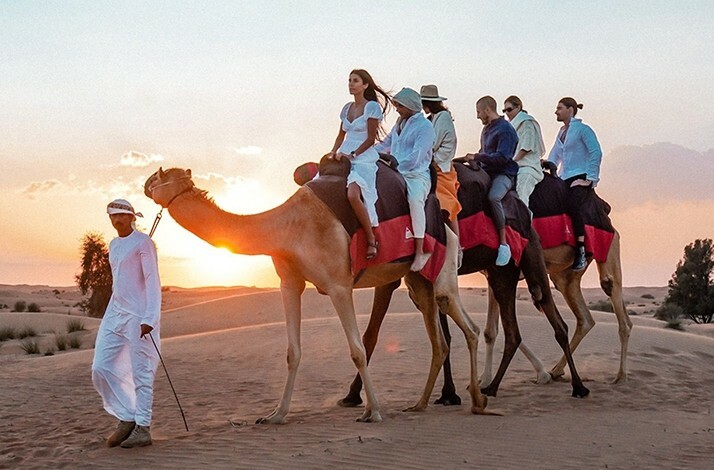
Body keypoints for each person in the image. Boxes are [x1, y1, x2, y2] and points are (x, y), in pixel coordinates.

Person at [92, 199, 162, 448]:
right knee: (100, 367)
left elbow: (152, 281)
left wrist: (149, 318)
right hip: (116, 312)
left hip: (138, 315)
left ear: (132, 217)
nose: (117, 219)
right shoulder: (113, 244)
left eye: (122, 215)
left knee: (141, 371)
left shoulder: (143, 242)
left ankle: (143, 427)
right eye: (113, 215)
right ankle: (127, 416)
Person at [328, 69, 390, 260]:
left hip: (362, 156)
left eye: (355, 81)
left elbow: (371, 138)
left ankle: (371, 239)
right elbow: (341, 135)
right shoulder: (346, 108)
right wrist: (333, 151)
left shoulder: (371, 107)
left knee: (353, 194)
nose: (351, 84)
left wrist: (353, 154)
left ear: (365, 85)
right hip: (344, 153)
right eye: (349, 80)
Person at [375, 87, 435, 271]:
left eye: (400, 105)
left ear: (410, 105)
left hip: (416, 175)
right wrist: (366, 153)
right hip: (395, 171)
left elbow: (417, 156)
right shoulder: (400, 123)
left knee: (414, 200)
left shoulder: (425, 127)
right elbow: (386, 144)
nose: (397, 109)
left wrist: (395, 164)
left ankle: (420, 250)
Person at [546, 97, 603, 271]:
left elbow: (596, 152)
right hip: (564, 176)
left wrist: (589, 179)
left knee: (572, 205)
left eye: (559, 108)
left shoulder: (583, 130)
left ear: (570, 110)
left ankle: (580, 250)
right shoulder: (561, 132)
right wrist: (546, 165)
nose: (556, 111)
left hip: (581, 176)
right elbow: (555, 155)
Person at [464, 96, 519, 266]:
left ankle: (503, 244)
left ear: (487, 110)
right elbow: (484, 152)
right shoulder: (487, 129)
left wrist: (478, 156)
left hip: (503, 174)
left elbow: (502, 157)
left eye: (479, 112)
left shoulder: (506, 130)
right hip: (487, 171)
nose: (478, 116)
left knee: (493, 197)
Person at [420, 84, 463, 267]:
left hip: (441, 167)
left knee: (446, 203)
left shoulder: (443, 118)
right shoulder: (432, 118)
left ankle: (458, 246)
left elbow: (433, 143)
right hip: (428, 164)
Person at [502, 95, 545, 209]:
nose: (507, 113)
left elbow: (526, 147)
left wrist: (511, 161)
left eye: (509, 109)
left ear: (519, 107)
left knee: (521, 195)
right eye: (504, 110)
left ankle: (525, 223)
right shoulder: (511, 126)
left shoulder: (526, 123)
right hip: (514, 167)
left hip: (527, 167)